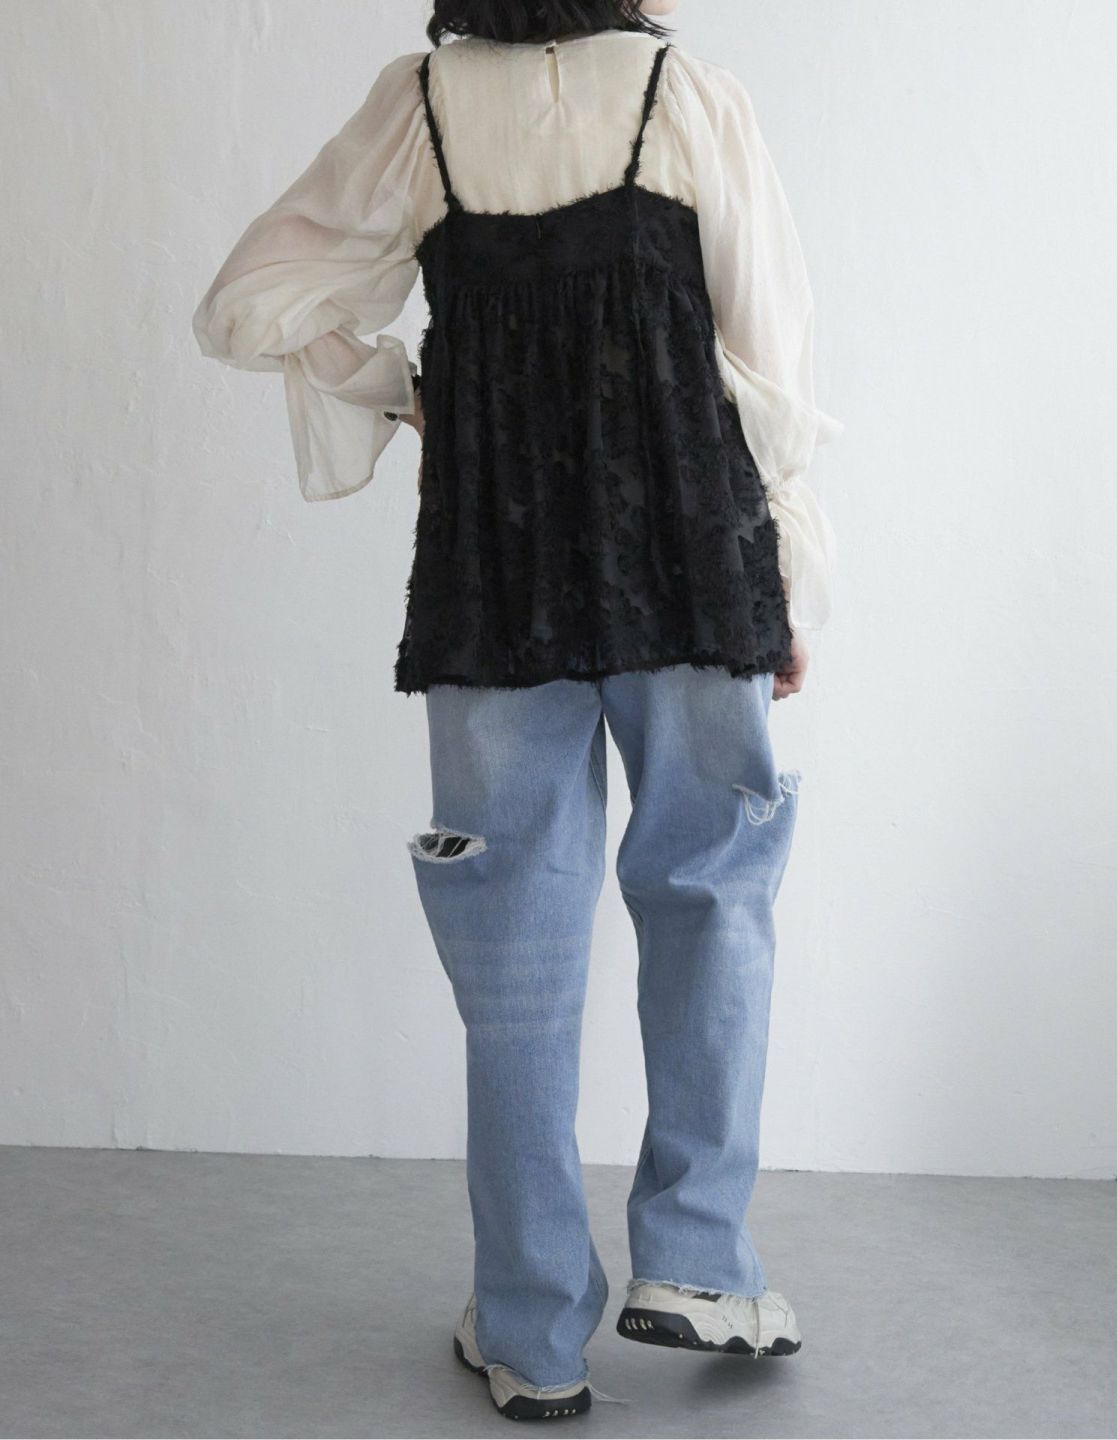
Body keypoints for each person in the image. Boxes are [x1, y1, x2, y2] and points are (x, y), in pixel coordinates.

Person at [193, 0, 841, 1421]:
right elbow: (770, 371)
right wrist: (788, 576)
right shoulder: (687, 96)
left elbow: (253, 297)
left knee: (516, 952)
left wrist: (413, 397)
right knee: (714, 893)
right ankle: (699, 1262)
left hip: (496, 573)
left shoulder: (419, 108)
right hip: (692, 562)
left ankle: (534, 1331)